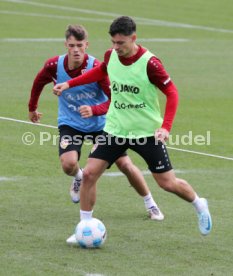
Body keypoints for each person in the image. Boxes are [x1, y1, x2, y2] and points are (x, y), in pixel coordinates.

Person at [53, 17, 212, 236]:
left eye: (121, 43)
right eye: (113, 42)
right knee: (89, 174)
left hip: (146, 132)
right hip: (115, 130)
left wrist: (165, 127)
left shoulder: (150, 63)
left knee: (167, 183)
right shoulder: (111, 56)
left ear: (133, 38)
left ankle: (199, 203)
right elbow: (100, 72)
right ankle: (84, 227)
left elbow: (172, 92)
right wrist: (69, 83)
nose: (116, 47)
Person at [28, 24, 164, 238]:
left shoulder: (98, 67)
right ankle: (79, 176)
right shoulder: (54, 65)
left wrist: (94, 110)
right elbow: (38, 82)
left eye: (80, 45)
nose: (75, 50)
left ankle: (151, 204)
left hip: (102, 125)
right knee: (68, 164)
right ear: (66, 45)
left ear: (86, 45)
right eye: (71, 45)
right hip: (70, 124)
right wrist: (32, 108)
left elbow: (115, 100)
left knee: (125, 164)